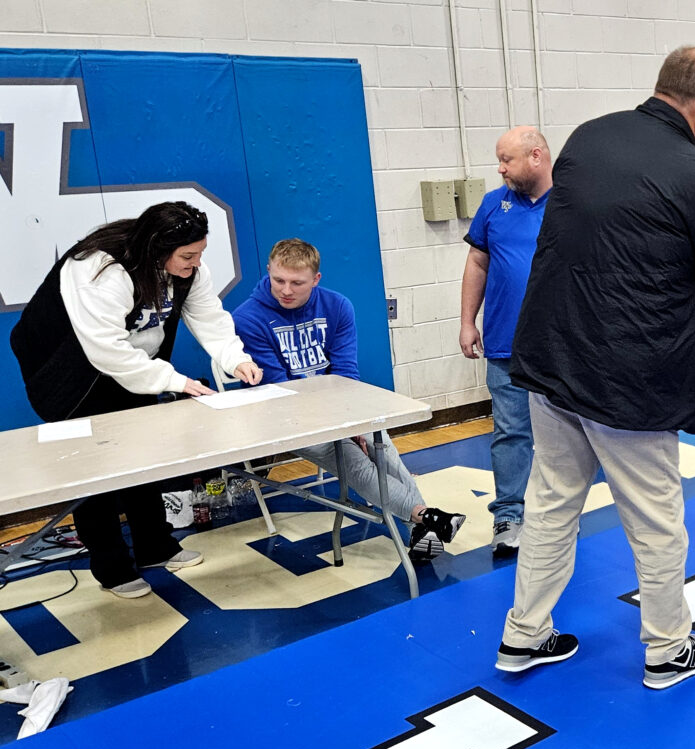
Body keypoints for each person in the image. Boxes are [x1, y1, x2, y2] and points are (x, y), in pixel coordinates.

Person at [494, 47, 695, 689]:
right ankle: (668, 649)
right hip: (629, 377)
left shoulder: (587, 138)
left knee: (551, 501)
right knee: (656, 517)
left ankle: (523, 635)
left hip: (554, 359)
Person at [10, 201, 261, 598]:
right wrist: (174, 380)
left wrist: (236, 358)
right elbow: (105, 350)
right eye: (188, 256)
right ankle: (111, 567)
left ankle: (155, 547)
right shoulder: (98, 269)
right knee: (94, 468)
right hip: (64, 369)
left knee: (143, 453)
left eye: (200, 254)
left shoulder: (188, 268)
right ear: (157, 249)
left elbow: (210, 318)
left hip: (134, 364)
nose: (196, 263)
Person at [232, 238, 465, 561]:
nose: (286, 290)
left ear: (316, 279)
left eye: (296, 283)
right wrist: (340, 427)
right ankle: (425, 517)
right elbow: (280, 389)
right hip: (284, 417)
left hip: (337, 405)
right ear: (269, 271)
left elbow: (345, 374)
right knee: (354, 460)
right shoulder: (248, 318)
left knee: (380, 444)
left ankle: (421, 525)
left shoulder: (337, 306)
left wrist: (352, 420)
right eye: (278, 280)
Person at [459, 126, 553, 556]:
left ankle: (556, 513)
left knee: (567, 435)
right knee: (511, 432)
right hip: (503, 343)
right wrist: (467, 321)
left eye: (507, 160)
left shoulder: (571, 203)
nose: (500, 169)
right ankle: (509, 516)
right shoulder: (492, 205)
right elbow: (478, 261)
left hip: (561, 345)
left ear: (536, 156)